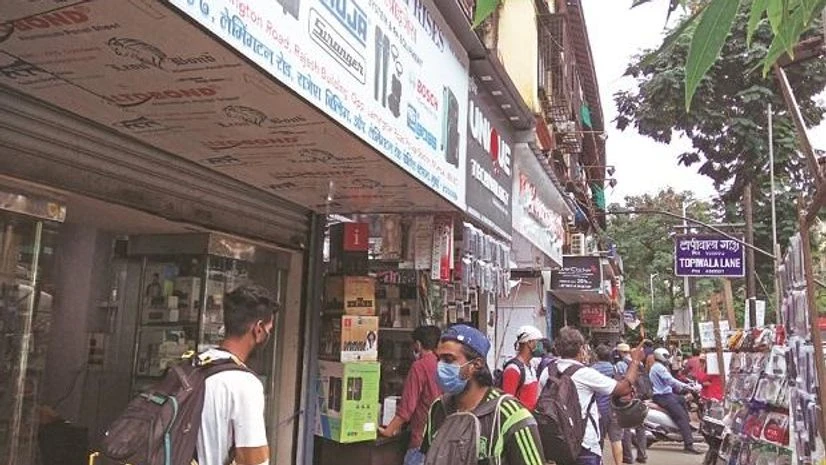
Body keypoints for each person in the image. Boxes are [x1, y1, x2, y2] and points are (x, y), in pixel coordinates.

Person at [422, 324, 545, 465]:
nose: (440, 366)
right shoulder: (438, 409)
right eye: (439, 359)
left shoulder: (510, 415)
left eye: (449, 360)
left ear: (476, 364)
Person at [539, 327, 644, 465]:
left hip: (558, 443)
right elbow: (623, 388)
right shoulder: (584, 373)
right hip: (584, 444)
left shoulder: (548, 371)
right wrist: (635, 361)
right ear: (581, 349)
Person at [197, 285, 276, 465]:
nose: (267, 335)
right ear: (258, 329)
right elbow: (254, 461)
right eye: (269, 330)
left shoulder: (194, 364)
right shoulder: (245, 384)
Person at [379, 326, 443, 465]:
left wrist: (389, 430)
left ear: (418, 345)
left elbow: (407, 408)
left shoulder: (419, 366)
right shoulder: (443, 365)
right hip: (441, 442)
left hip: (421, 443)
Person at [649, 347, 702, 454]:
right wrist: (687, 386)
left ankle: (686, 428)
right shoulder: (659, 367)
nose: (668, 358)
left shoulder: (660, 366)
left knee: (683, 400)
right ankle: (688, 445)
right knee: (681, 417)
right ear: (660, 356)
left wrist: (686, 385)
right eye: (666, 356)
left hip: (668, 394)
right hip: (663, 396)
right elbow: (670, 380)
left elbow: (673, 380)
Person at [591, 345, 623, 465]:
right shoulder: (614, 368)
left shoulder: (592, 370)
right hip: (614, 409)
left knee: (598, 441)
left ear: (597, 356)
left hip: (598, 411)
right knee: (616, 440)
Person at [615, 343, 647, 464]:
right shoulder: (639, 363)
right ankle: (642, 455)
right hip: (639, 397)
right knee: (640, 426)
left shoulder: (620, 364)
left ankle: (628, 457)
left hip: (626, 398)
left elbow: (620, 383)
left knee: (626, 427)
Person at [501, 325, 543, 410]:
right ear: (529, 343)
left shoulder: (531, 366)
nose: (540, 346)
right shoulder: (513, 370)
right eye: (538, 342)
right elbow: (507, 403)